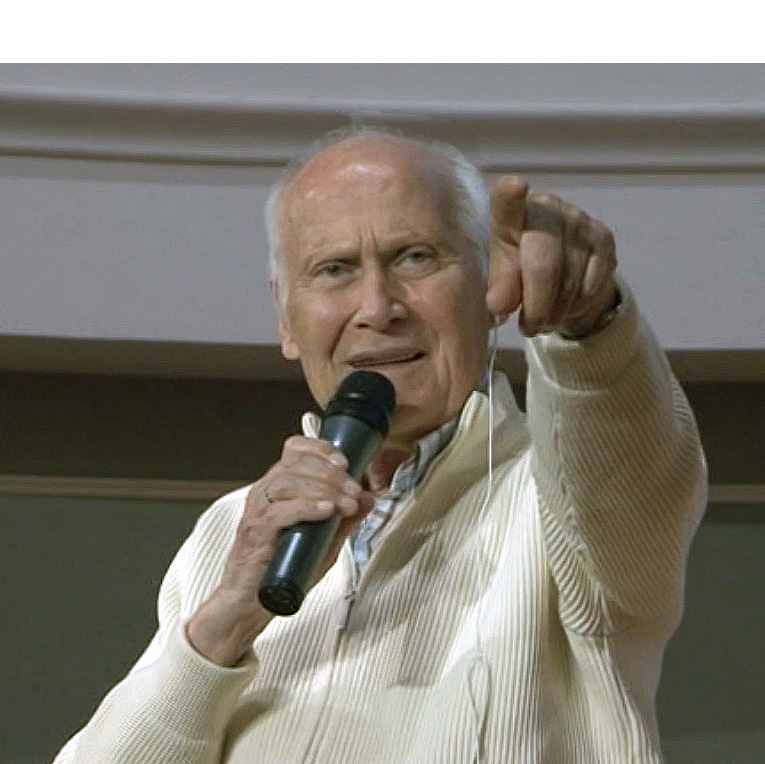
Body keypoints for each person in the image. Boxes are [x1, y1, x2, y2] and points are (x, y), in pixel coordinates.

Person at [53, 126, 706, 764]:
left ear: (488, 289)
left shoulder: (555, 500)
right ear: (285, 318)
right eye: (334, 269)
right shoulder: (231, 532)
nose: (377, 306)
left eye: (414, 258)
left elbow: (622, 452)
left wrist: (589, 327)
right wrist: (225, 623)